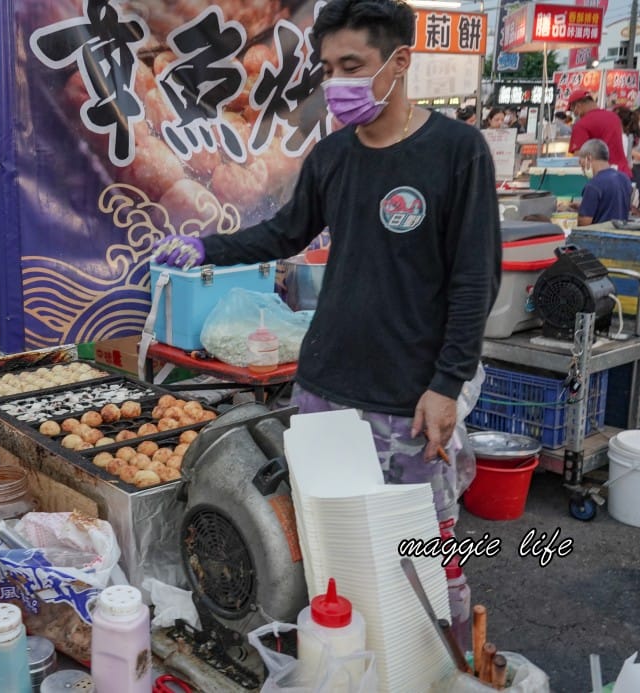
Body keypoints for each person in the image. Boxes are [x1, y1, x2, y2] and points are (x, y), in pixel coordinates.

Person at [154, 0, 501, 530]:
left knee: (420, 554)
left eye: (353, 67)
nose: (338, 83)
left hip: (407, 396)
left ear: (400, 61)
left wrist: (447, 386)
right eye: (330, 70)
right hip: (323, 387)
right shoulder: (331, 156)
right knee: (329, 540)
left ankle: (438, 619)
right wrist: (209, 248)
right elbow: (285, 232)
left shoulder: (457, 151)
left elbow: (475, 280)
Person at [568, 89, 631, 173]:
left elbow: (580, 156)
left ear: (578, 106)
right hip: (622, 172)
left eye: (573, 110)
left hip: (602, 174)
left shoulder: (581, 124)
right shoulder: (614, 117)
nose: (575, 114)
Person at [575, 138, 632, 226]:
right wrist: (581, 206)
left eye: (581, 162)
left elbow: (585, 222)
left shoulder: (593, 185)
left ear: (589, 158)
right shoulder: (624, 178)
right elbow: (612, 205)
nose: (581, 167)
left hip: (599, 236)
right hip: (621, 233)